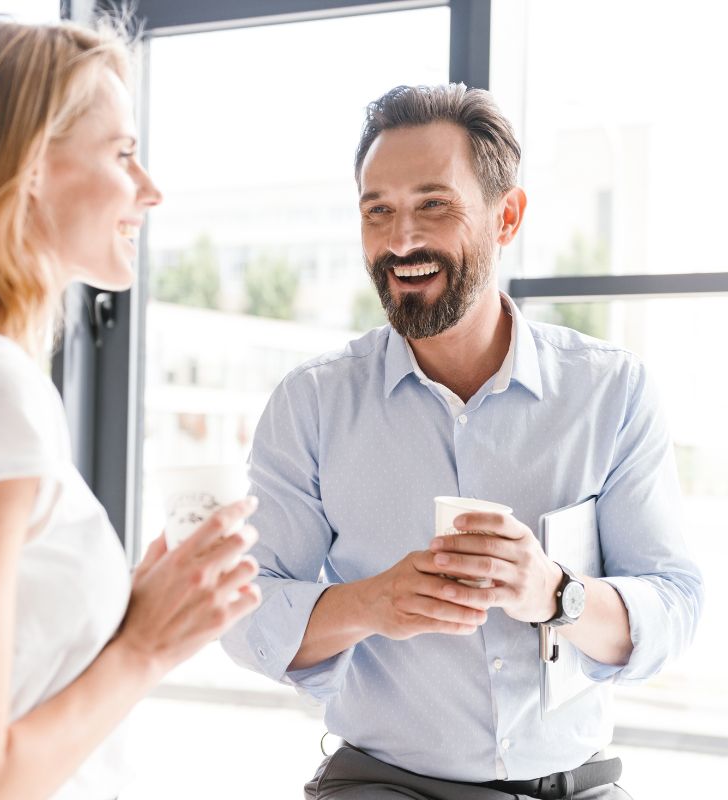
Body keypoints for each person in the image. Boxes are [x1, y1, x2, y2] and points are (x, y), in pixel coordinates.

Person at [221, 83, 703, 799]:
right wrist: (372, 603)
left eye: (433, 205)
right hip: (384, 783)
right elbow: (246, 611)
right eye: (377, 211)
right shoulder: (312, 404)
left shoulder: (610, 392)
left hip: (572, 785)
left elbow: (675, 603)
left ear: (506, 217)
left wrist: (556, 593)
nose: (401, 241)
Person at [0, 16, 260, 800]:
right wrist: (145, 645)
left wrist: (127, 612)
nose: (151, 190)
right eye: (122, 154)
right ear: (29, 165)